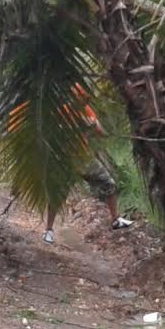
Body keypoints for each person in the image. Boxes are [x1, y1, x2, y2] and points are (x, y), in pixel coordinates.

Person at [42, 84, 132, 245]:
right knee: (57, 195)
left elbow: (101, 132)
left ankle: (116, 220)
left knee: (109, 183)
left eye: (84, 100)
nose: (83, 102)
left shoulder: (86, 110)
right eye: (80, 99)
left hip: (84, 158)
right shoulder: (62, 111)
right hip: (65, 159)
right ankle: (48, 230)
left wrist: (92, 124)